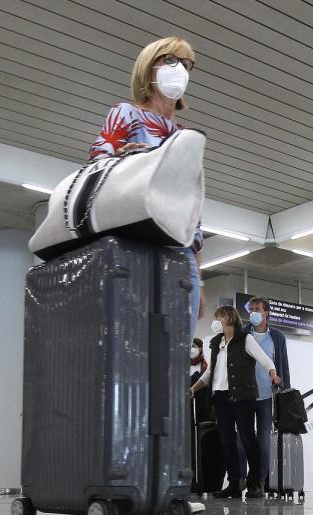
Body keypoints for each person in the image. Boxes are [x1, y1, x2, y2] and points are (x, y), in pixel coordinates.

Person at [89, 36, 205, 338]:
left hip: (180, 252)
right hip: (135, 243)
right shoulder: (126, 114)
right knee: (132, 340)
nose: (179, 69)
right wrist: (126, 160)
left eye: (186, 64)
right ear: (148, 66)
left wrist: (199, 276)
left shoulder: (184, 136)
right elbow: (97, 165)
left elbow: (193, 211)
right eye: (170, 60)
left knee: (176, 347)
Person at [190, 306, 281, 499]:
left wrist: (273, 374)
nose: (216, 322)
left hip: (242, 397)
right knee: (227, 441)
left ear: (228, 318)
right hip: (220, 397)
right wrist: (194, 388)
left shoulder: (245, 339)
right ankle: (234, 484)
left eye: (218, 317)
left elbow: (265, 360)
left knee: (248, 438)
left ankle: (255, 483)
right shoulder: (216, 342)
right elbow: (210, 372)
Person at [243, 297, 291, 491]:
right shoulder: (243, 334)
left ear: (266, 312)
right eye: (251, 309)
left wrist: (285, 391)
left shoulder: (277, 337)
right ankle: (245, 478)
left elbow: (283, 365)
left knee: (264, 440)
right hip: (245, 396)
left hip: (266, 396)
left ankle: (260, 481)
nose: (253, 312)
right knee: (244, 440)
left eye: (257, 309)